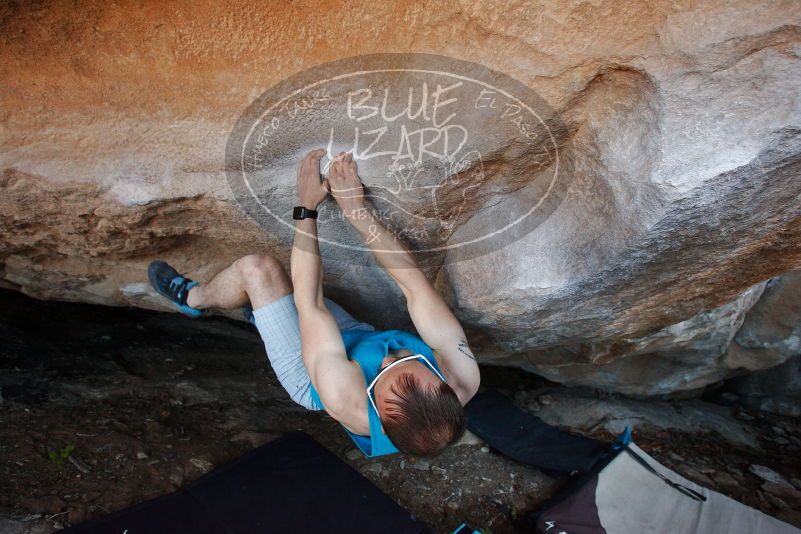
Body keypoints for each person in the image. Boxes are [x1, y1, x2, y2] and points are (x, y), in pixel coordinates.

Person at [148, 149, 480, 458]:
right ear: (445, 385)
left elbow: (311, 304)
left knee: (258, 270)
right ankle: (261, 315)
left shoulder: (343, 396)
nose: (387, 357)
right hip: (356, 338)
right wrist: (356, 211)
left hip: (312, 371)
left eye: (381, 375)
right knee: (285, 294)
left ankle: (193, 298)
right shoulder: (462, 374)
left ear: (376, 410)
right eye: (403, 360)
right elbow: (413, 284)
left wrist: (306, 208)